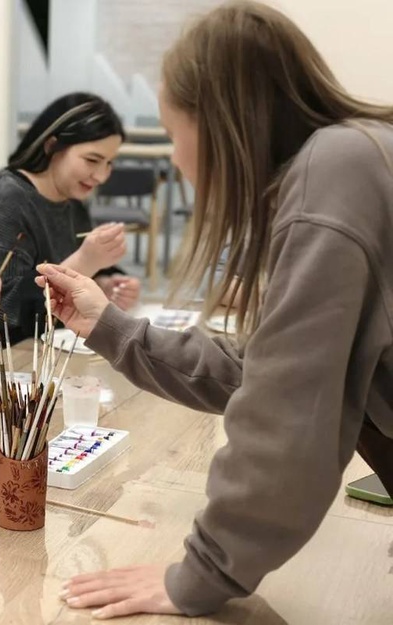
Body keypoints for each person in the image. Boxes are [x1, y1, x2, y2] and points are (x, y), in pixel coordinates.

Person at [39, 0, 393, 618]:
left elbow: (287, 418)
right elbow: (259, 373)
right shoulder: (349, 158)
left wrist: (200, 575)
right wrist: (107, 324)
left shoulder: (336, 172)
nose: (174, 158)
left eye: (175, 134)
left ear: (227, 122)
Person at [0, 93, 141, 362]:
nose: (101, 175)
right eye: (92, 160)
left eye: (109, 163)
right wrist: (85, 261)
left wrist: (104, 281)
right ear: (52, 146)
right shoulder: (6, 198)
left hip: (44, 357)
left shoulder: (73, 201)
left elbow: (75, 268)